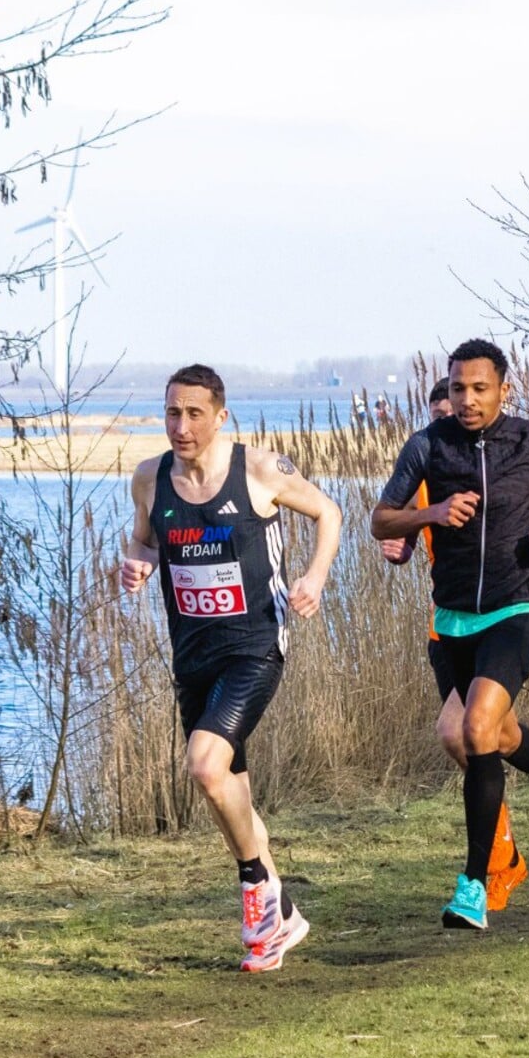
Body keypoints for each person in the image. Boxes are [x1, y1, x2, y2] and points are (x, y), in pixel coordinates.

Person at [371, 339, 529, 930]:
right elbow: (381, 518)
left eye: (480, 388)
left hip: (517, 607)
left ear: (504, 389)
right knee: (493, 732)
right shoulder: (427, 447)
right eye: (458, 388)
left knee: (474, 729)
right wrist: (429, 514)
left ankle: (476, 883)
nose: (468, 399)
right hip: (452, 619)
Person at [120, 364, 342, 973]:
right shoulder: (149, 479)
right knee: (230, 793)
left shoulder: (259, 470)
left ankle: (256, 896)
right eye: (172, 413)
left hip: (254, 647)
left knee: (204, 764)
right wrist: (135, 564)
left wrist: (315, 577)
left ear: (220, 417)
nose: (181, 426)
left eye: (194, 414)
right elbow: (142, 541)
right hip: (192, 657)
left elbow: (329, 514)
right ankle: (284, 916)